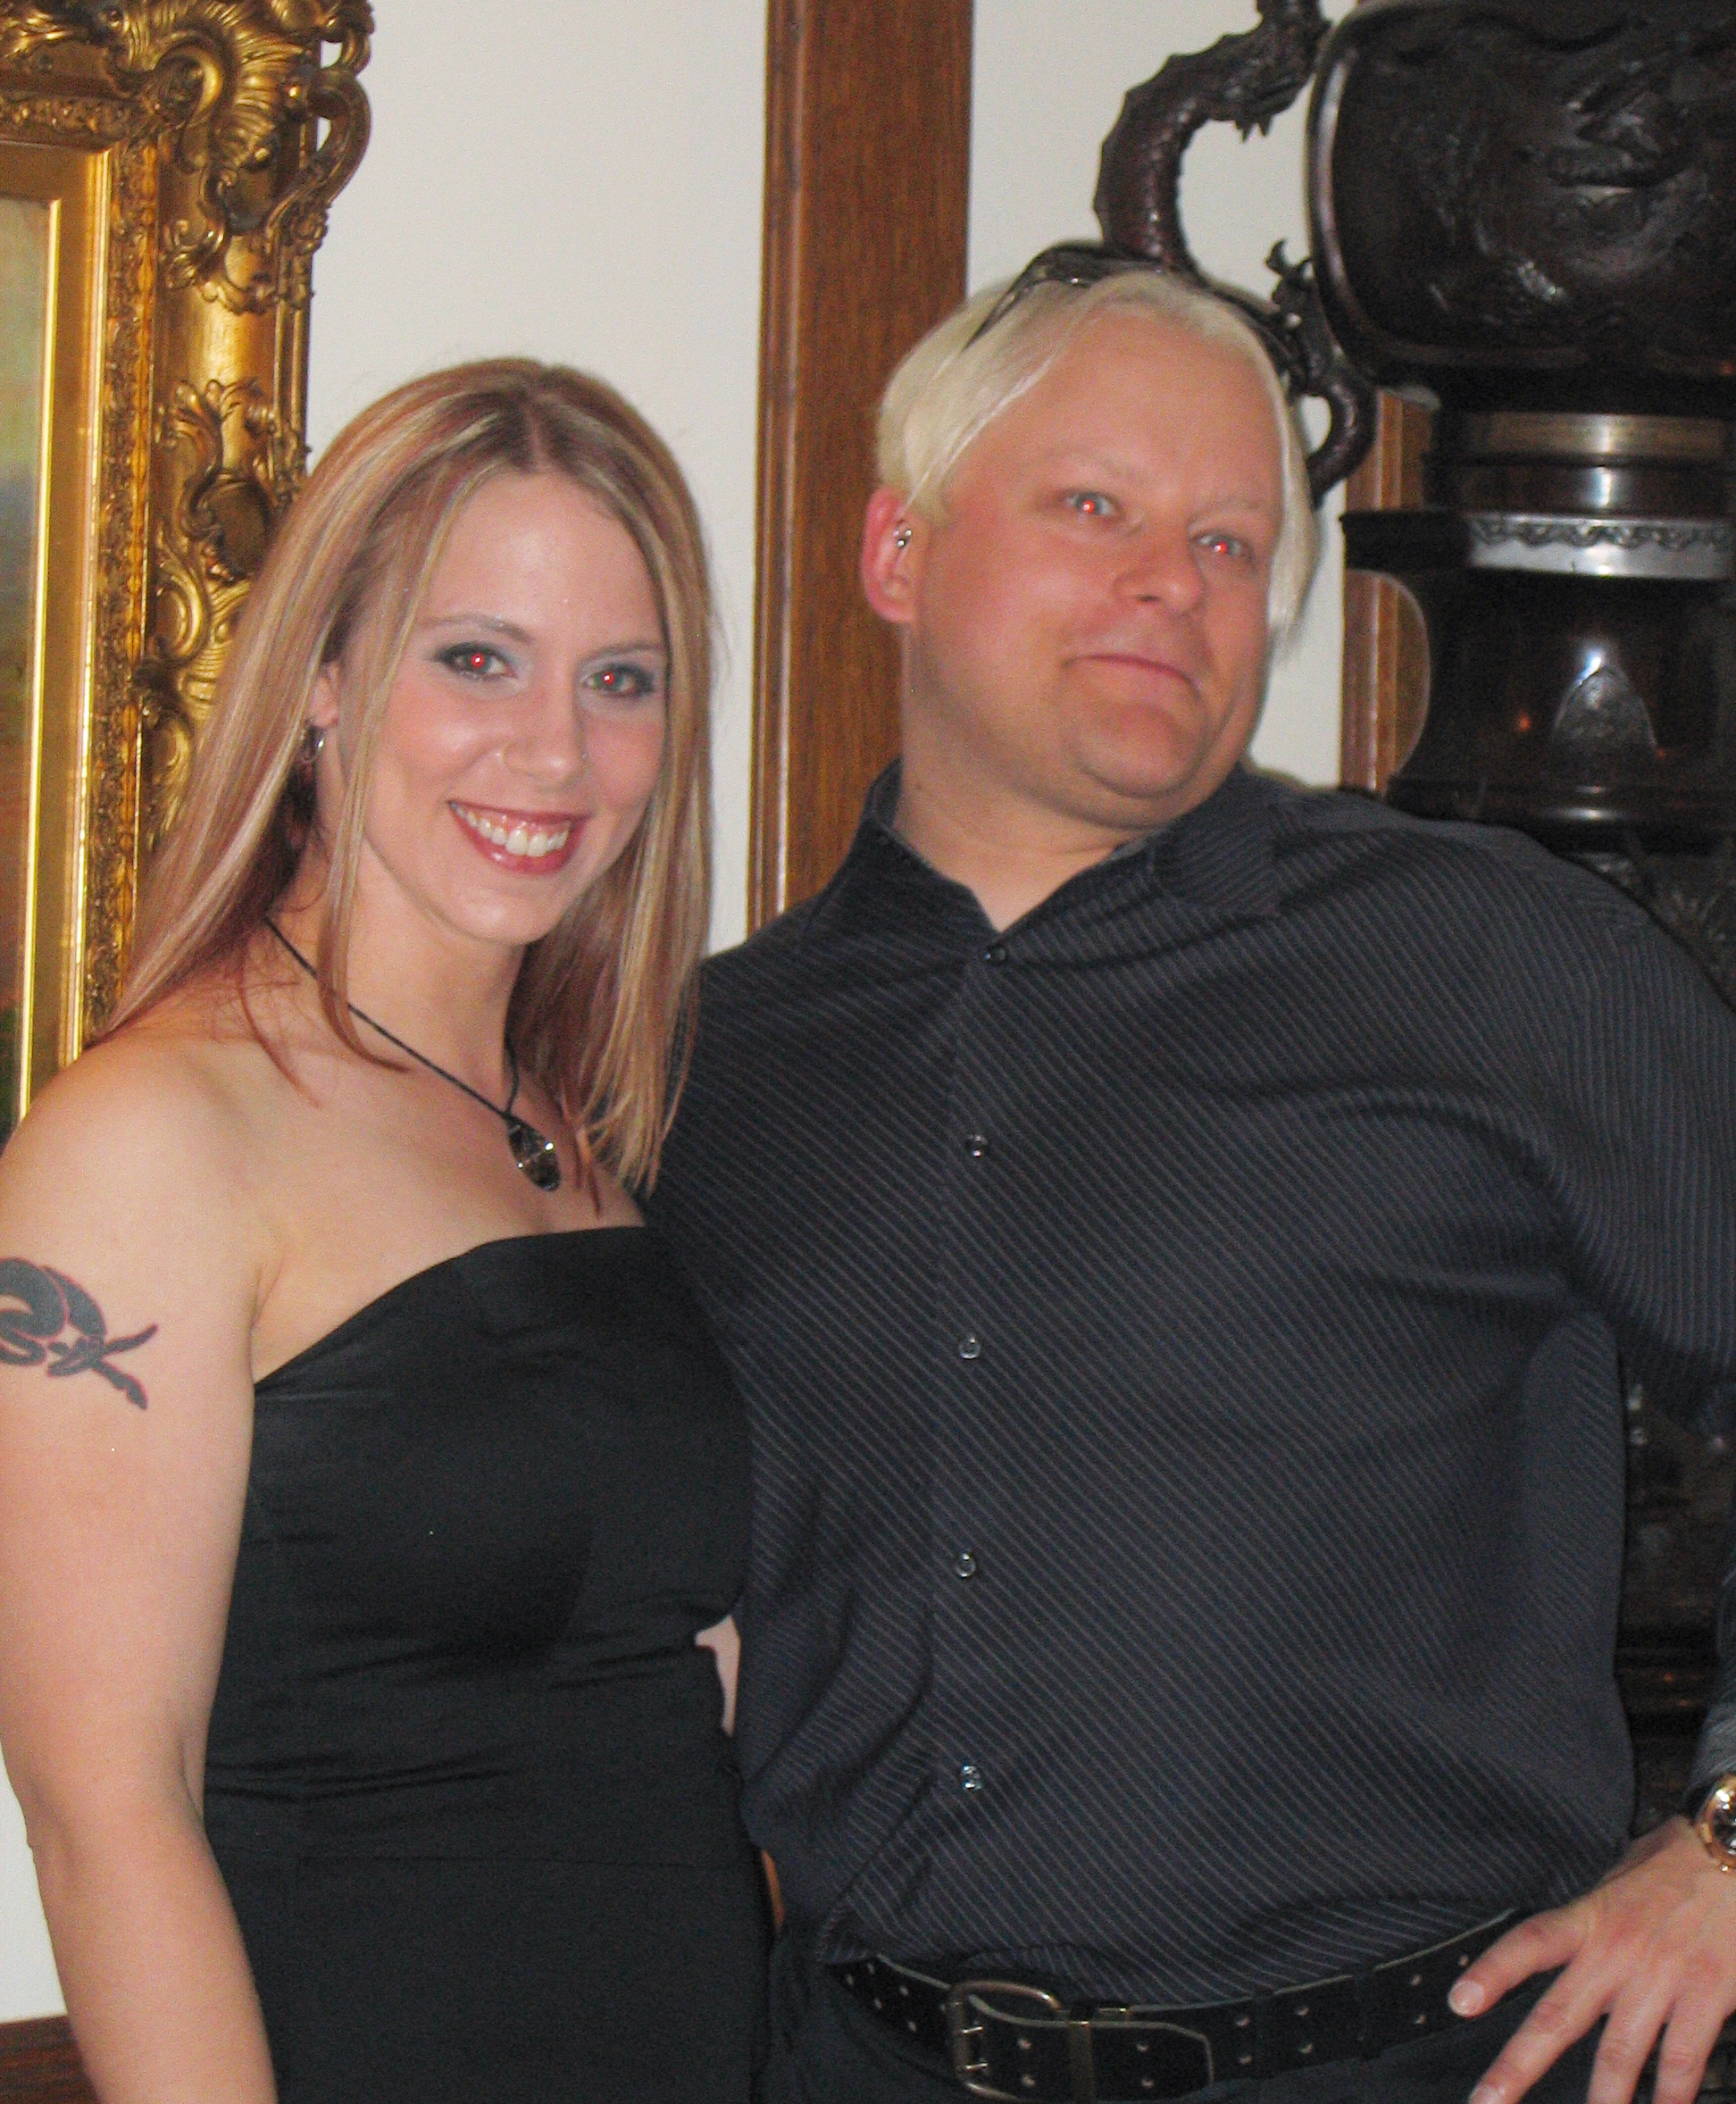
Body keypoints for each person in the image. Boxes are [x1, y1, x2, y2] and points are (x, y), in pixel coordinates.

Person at [646, 260, 1736, 2104]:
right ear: (899, 551)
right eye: (1096, 507)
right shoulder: (702, 1066)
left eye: (1233, 543)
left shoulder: (1491, 961)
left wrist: (1731, 1845)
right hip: (857, 2061)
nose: (1175, 579)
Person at [0, 360, 766, 2104]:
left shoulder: (588, 1133)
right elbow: (103, 1808)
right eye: (476, 658)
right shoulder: (149, 1143)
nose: (556, 749)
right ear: (324, 678)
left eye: (622, 679)